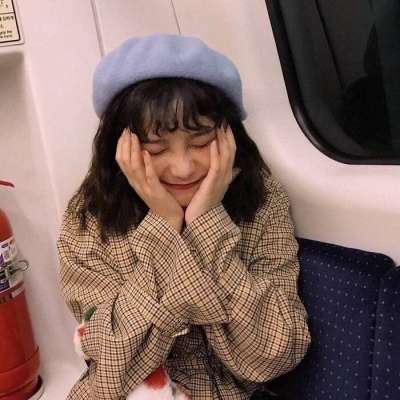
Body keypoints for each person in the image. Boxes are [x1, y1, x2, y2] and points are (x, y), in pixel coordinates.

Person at [56, 33, 311, 400]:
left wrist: (207, 223)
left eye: (201, 142)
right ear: (120, 148)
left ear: (228, 136)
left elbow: (276, 353)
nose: (183, 167)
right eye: (156, 148)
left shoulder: (262, 200)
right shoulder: (89, 218)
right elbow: (111, 369)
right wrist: (164, 226)